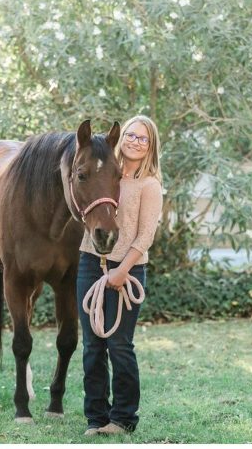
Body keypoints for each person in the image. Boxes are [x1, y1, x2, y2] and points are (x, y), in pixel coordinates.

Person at [77, 114, 164, 436]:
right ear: (121, 137)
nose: (135, 142)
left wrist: (122, 270)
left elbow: (145, 235)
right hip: (90, 263)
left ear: (151, 146)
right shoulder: (104, 172)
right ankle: (96, 417)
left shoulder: (149, 185)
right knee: (92, 345)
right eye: (131, 135)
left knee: (119, 344)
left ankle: (123, 418)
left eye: (143, 138)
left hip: (128, 270)